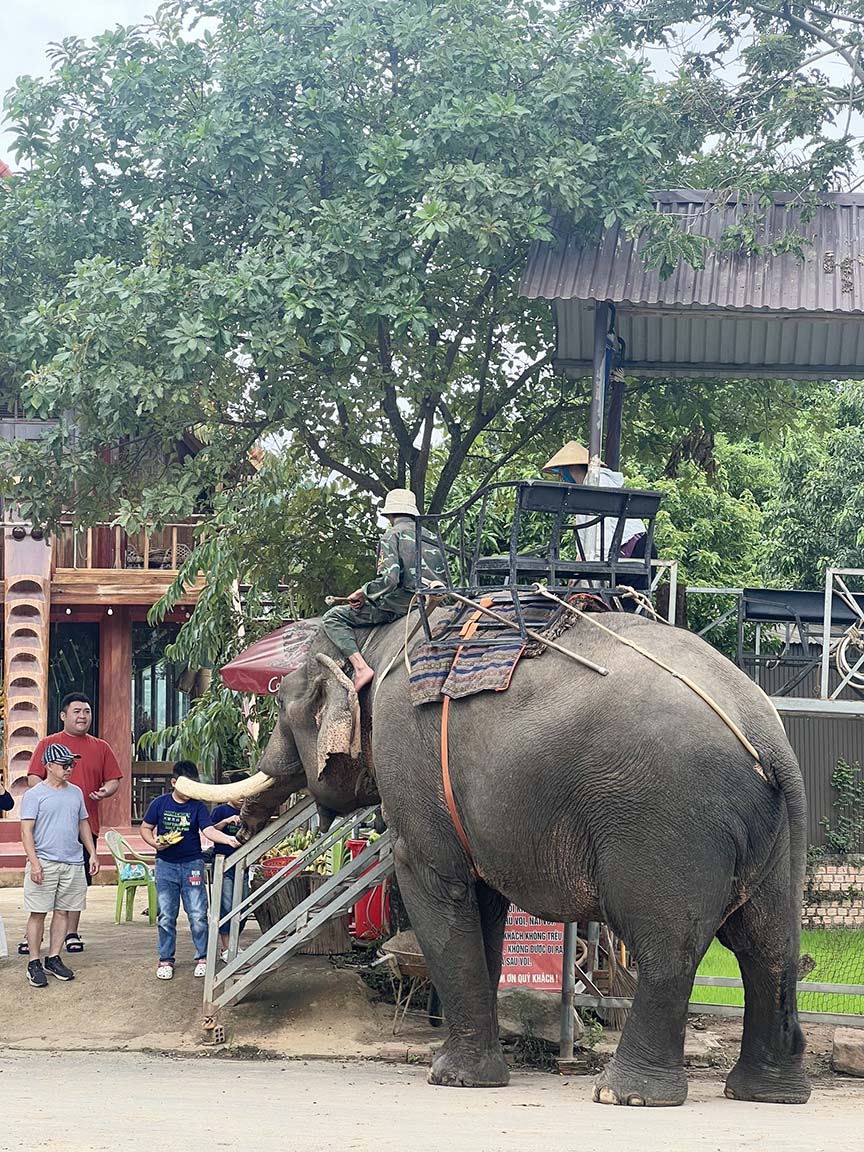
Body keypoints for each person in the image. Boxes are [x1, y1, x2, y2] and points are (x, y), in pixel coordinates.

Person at [320, 488, 449, 691]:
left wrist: (363, 592)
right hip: (438, 600)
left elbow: (390, 579)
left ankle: (361, 668)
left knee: (333, 617)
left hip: (404, 603)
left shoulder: (392, 535)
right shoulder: (432, 537)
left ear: (389, 515)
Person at [26, 692, 122, 955]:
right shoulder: (48, 743)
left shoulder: (101, 746)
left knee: (76, 884)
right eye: (77, 711)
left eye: (87, 711)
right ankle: (32, 937)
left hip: (84, 824)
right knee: (42, 881)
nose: (83, 716)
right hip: (48, 828)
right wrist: (55, 794)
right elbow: (33, 778)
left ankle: (71, 933)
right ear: (63, 715)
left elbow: (114, 779)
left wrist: (105, 791)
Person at [140, 761, 239, 980]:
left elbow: (208, 830)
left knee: (197, 914)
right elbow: (146, 827)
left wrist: (229, 840)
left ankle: (202, 957)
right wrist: (154, 842)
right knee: (166, 915)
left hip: (192, 864)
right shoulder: (160, 803)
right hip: (165, 865)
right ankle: (165, 960)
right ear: (174, 782)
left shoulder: (197, 807)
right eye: (187, 785)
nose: (191, 790)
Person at [20, 743, 100, 987]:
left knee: (64, 911)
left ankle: (54, 957)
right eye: (65, 764)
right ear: (49, 766)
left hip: (73, 861)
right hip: (44, 861)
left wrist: (92, 853)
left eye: (72, 764)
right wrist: (34, 863)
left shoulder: (75, 792)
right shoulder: (34, 795)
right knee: (38, 912)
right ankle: (33, 961)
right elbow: (26, 831)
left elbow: (83, 823)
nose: (69, 768)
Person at [542, 441, 649, 563]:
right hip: (624, 550)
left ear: (571, 468)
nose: (562, 477)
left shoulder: (598, 483)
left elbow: (603, 529)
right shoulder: (583, 490)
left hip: (632, 550)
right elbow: (586, 535)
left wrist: (593, 564)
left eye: (561, 472)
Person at [209, 782, 249, 959]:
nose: (241, 799)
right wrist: (226, 822)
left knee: (243, 904)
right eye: (239, 795)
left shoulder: (249, 811)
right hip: (224, 864)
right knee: (226, 905)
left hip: (244, 864)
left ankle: (234, 943)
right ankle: (225, 948)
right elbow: (210, 831)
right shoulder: (220, 811)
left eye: (244, 795)